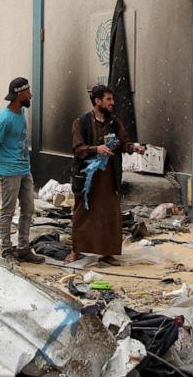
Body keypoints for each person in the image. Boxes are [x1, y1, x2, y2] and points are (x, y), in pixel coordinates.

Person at [67, 85, 146, 265]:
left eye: (112, 99)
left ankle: (107, 252)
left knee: (109, 214)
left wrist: (134, 147)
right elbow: (77, 149)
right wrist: (96, 149)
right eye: (108, 99)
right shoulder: (82, 122)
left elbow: (124, 142)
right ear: (97, 101)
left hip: (109, 177)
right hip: (87, 178)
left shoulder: (114, 122)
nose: (112, 103)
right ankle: (76, 250)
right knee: (82, 213)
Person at [0, 77, 45, 264]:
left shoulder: (20, 112)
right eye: (28, 92)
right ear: (20, 94)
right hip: (9, 171)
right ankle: (6, 249)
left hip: (24, 169)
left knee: (28, 209)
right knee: (8, 211)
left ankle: (23, 248)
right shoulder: (4, 119)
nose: (31, 95)